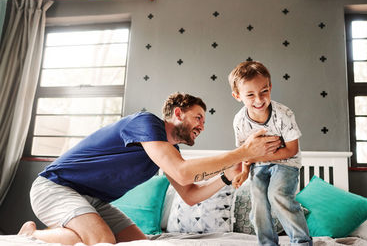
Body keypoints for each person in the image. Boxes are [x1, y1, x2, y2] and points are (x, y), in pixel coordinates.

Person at [18, 92, 281, 246]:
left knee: (139, 245)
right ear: (178, 113)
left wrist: (226, 176)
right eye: (198, 117)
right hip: (56, 186)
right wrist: (244, 151)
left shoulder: (170, 152)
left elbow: (189, 195)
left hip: (94, 201)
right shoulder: (147, 123)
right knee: (103, 241)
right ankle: (31, 236)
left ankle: (64, 233)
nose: (202, 125)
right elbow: (182, 172)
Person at [228, 61, 312, 246]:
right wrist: (243, 171)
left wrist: (258, 156)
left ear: (270, 87)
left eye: (264, 91)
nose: (259, 99)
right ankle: (267, 243)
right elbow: (244, 153)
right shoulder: (240, 121)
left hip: (287, 163)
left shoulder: (283, 114)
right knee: (258, 203)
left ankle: (301, 242)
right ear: (237, 96)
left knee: (277, 195)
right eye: (250, 94)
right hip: (258, 166)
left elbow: (291, 149)